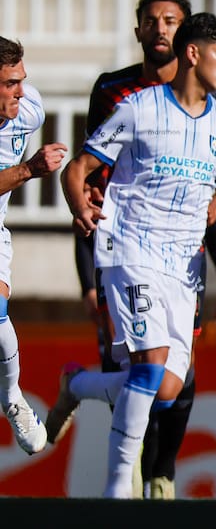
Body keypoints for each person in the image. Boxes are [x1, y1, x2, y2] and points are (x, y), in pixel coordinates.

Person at [66, 0, 216, 499]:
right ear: (195, 53)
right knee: (148, 366)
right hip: (130, 248)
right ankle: (120, 489)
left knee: (166, 389)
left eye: (168, 20)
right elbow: (80, 171)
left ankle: (77, 386)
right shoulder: (130, 102)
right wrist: (82, 213)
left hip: (184, 262)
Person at [0, 37, 68, 455]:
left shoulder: (29, 108)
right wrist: (28, 169)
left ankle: (11, 397)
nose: (19, 91)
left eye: (21, 80)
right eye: (9, 83)